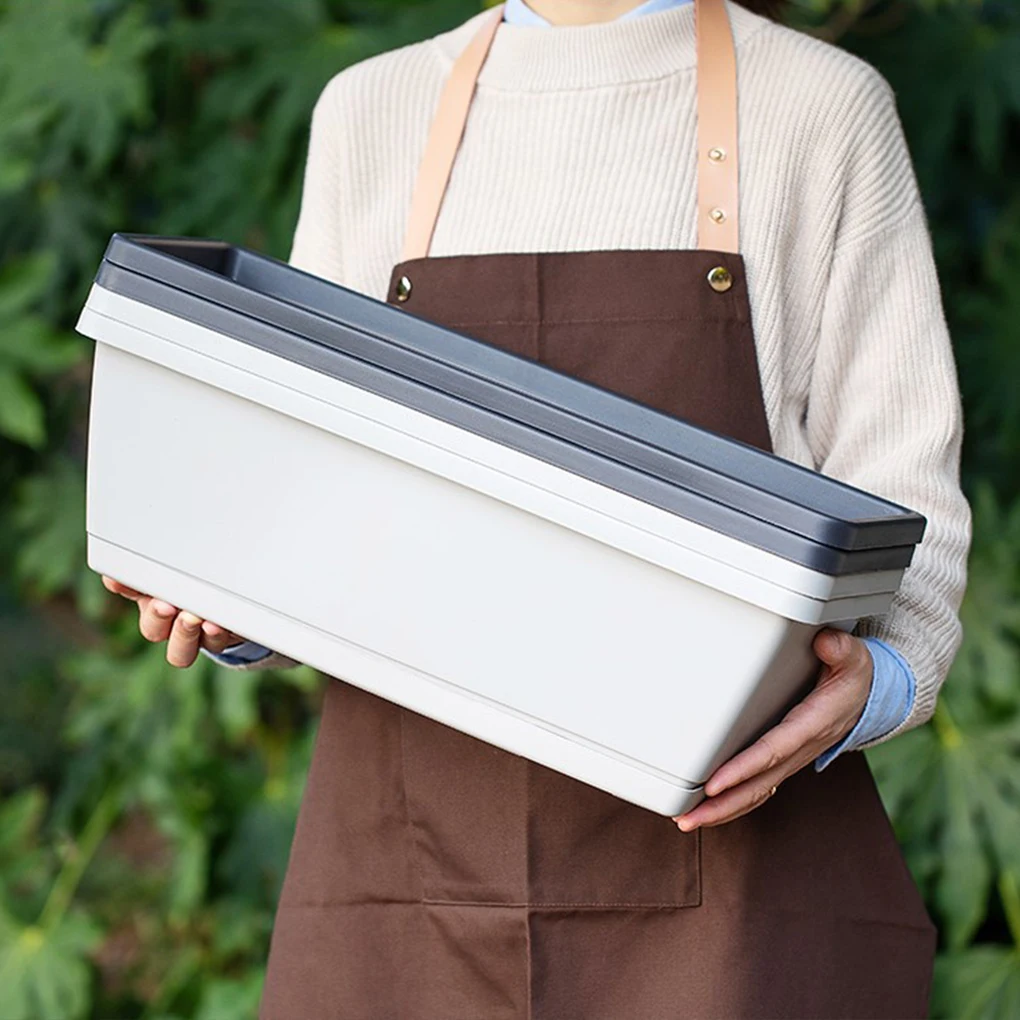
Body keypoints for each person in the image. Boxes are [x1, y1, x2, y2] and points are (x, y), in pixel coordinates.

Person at [103, 0, 972, 1015]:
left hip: (730, 899)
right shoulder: (373, 110)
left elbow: (910, 509)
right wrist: (236, 599)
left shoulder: (822, 107)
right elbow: (313, 492)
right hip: (408, 897)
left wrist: (871, 683)